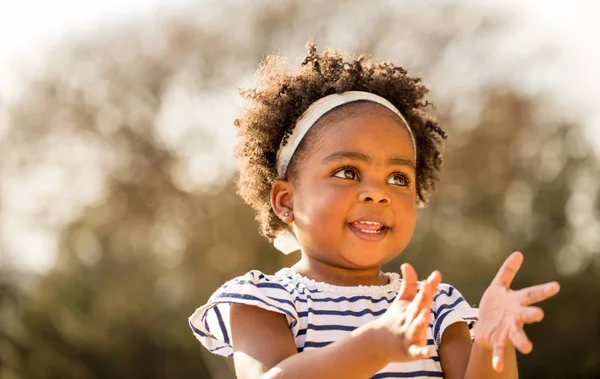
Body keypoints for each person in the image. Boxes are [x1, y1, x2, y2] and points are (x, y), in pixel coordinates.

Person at [189, 43, 560, 378]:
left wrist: (492, 345)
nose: (377, 194)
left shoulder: (437, 307)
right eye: (347, 172)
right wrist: (376, 346)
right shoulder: (266, 300)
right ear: (286, 201)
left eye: (398, 178)